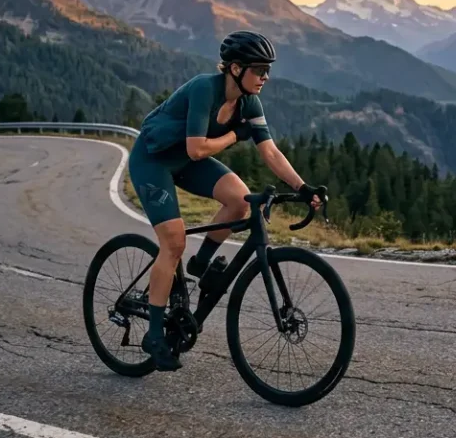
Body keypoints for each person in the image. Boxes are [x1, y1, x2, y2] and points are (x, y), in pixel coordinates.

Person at [127, 30, 321, 371]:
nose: (265, 77)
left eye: (268, 70)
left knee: (240, 200)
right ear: (235, 68)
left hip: (187, 162)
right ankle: (154, 334)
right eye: (259, 69)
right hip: (153, 160)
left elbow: (270, 152)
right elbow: (196, 148)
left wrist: (303, 187)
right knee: (173, 243)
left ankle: (200, 264)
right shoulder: (205, 89)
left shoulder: (249, 103)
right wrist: (234, 135)